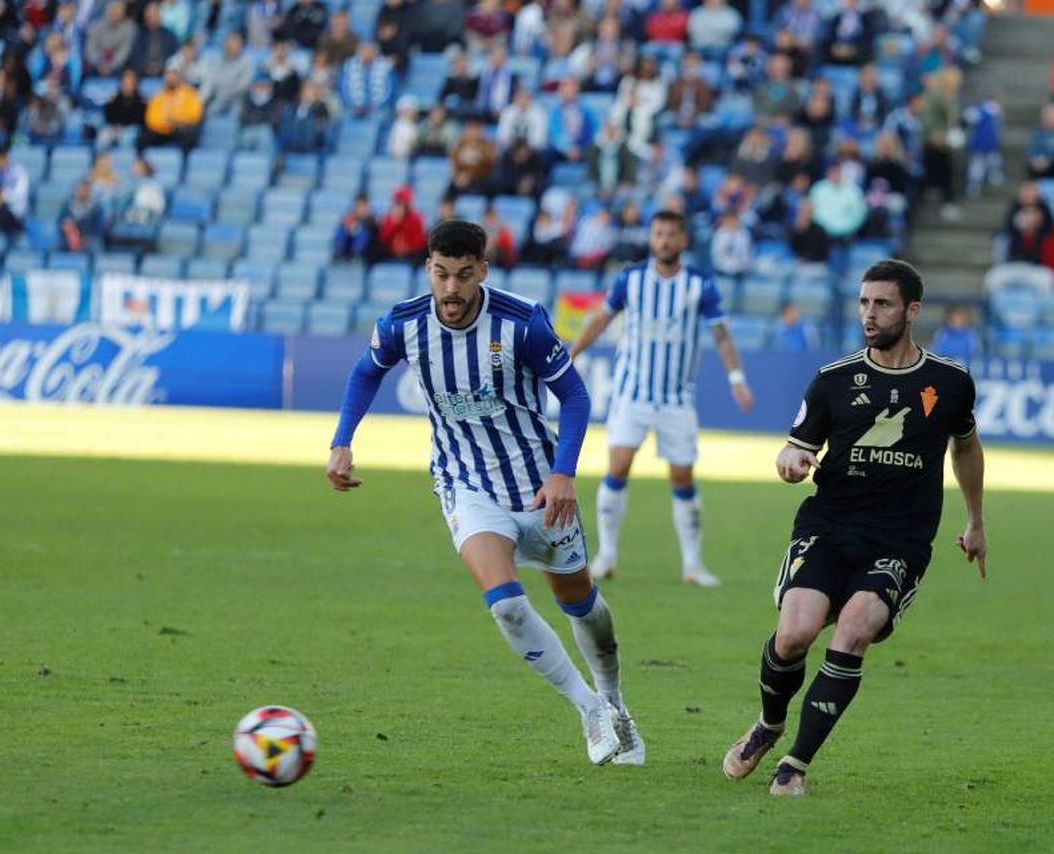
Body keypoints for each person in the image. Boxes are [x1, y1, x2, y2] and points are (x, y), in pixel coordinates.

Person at [325, 220, 642, 767]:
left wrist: (563, 472)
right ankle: (588, 707)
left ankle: (616, 703)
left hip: (541, 487)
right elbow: (363, 374)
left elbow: (575, 396)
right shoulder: (403, 324)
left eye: (463, 275)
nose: (450, 289)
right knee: (509, 607)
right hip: (465, 483)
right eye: (441, 274)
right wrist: (341, 442)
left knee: (581, 603)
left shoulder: (523, 322)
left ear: (483, 272)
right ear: (428, 267)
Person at [720, 259, 987, 797]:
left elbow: (965, 448)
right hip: (830, 522)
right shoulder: (834, 380)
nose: (870, 313)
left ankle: (795, 765)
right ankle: (769, 725)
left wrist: (976, 520)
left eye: (882, 303)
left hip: (900, 538)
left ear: (912, 310)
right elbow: (793, 449)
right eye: (864, 302)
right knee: (795, 633)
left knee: (855, 628)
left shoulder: (950, 382)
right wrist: (789, 464)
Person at [569, 211, 755, 586]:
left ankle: (692, 563)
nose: (664, 240)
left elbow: (720, 334)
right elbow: (601, 320)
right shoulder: (631, 279)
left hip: (676, 398)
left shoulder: (700, 284)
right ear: (651, 239)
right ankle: (605, 557)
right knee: (618, 467)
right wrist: (570, 355)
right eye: (658, 234)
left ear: (684, 241)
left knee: (683, 476)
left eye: (672, 234)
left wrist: (736, 378)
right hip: (631, 393)